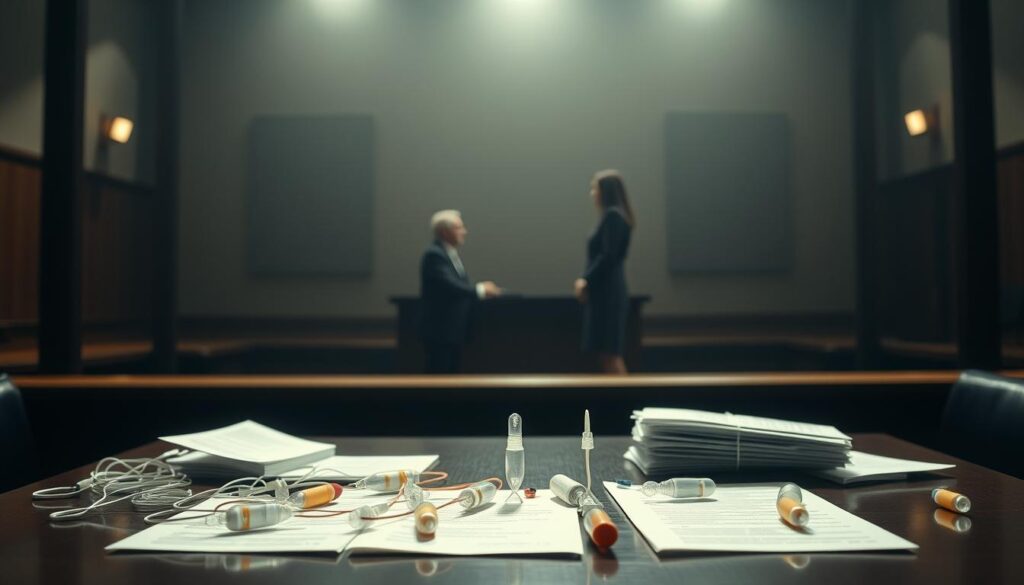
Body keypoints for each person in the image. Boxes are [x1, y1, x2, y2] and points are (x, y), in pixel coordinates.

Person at [419, 210, 501, 373]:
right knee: (439, 378)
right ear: (444, 231)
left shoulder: (449, 254)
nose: (464, 231)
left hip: (452, 330)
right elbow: (450, 286)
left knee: (450, 375)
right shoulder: (434, 255)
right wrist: (480, 289)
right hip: (440, 331)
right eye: (459, 227)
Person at [574, 170, 634, 374]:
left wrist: (586, 280)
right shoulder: (614, 216)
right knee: (606, 354)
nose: (592, 193)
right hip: (606, 293)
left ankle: (625, 402)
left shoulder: (612, 216)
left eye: (595, 188)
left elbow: (608, 256)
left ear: (605, 191)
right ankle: (619, 402)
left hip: (609, 294)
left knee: (611, 355)